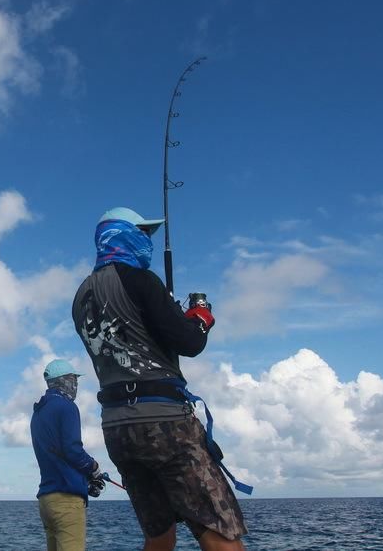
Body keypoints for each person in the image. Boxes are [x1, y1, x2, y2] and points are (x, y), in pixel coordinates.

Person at [72, 207, 248, 551]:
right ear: (124, 234)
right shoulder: (141, 281)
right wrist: (200, 318)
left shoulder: (81, 297)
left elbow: (129, 336)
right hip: (165, 425)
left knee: (158, 533)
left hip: (118, 430)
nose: (146, 242)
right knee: (220, 531)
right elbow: (189, 343)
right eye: (143, 234)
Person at [30, 358, 107, 551]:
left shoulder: (38, 411)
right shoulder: (67, 406)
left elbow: (58, 453)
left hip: (47, 501)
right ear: (64, 381)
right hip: (66, 501)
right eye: (74, 380)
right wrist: (94, 468)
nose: (76, 385)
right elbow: (72, 451)